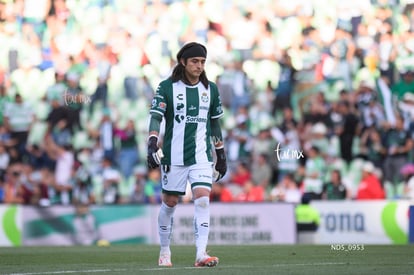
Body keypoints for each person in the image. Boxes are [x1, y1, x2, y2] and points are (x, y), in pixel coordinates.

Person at [147, 42, 227, 268]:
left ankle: (201, 253)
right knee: (170, 203)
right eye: (195, 61)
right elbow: (156, 116)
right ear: (183, 62)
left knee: (202, 199)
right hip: (174, 156)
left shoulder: (210, 89)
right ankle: (164, 251)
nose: (199, 66)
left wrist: (220, 154)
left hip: (202, 156)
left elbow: (215, 124)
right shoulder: (167, 87)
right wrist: (152, 142)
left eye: (202, 62)